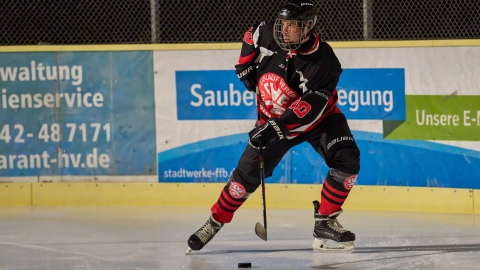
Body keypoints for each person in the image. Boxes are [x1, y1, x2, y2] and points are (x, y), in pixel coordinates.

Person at [186, 0, 360, 254]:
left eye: (293, 25)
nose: (284, 30)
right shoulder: (270, 34)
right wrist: (244, 63)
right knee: (244, 179)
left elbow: (310, 108)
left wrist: (278, 127)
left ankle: (325, 221)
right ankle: (214, 221)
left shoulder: (324, 62)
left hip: (320, 120)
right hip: (272, 120)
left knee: (348, 161)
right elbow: (253, 33)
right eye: (283, 24)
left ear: (308, 27)